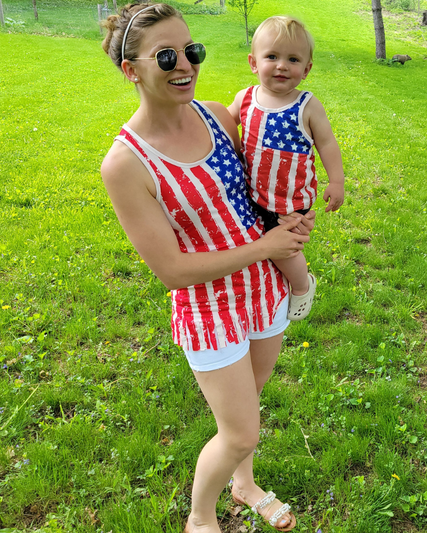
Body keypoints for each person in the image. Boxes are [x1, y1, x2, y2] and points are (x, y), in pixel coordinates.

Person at [100, 4, 315, 532]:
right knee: (241, 432)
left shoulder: (218, 115)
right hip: (208, 307)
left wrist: (294, 212)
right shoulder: (127, 164)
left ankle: (243, 484)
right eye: (166, 56)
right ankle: (200, 517)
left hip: (262, 290)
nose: (186, 66)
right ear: (131, 70)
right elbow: (173, 270)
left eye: (191, 52)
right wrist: (267, 247)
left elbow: (261, 186)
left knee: (247, 408)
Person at [228, 15, 345, 321]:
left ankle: (301, 285)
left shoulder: (307, 105)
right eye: (272, 57)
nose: (281, 65)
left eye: (293, 59)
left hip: (291, 201)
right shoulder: (244, 100)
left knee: (288, 249)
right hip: (253, 193)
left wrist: (337, 182)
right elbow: (222, 128)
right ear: (254, 63)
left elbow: (328, 144)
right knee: (258, 240)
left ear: (306, 69)